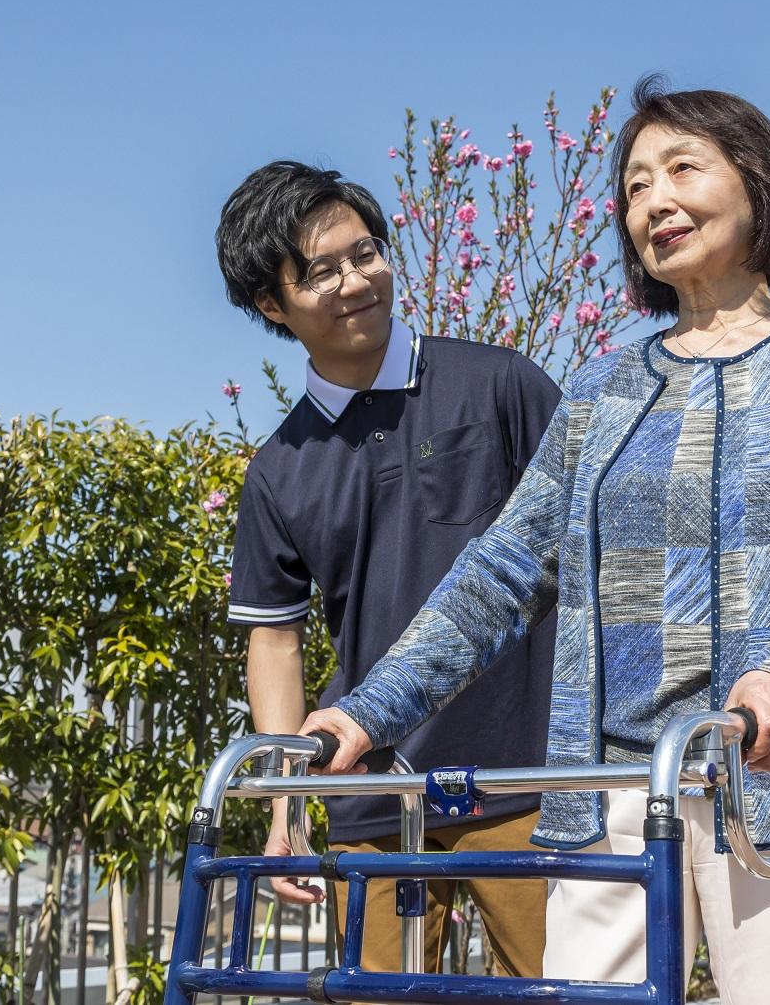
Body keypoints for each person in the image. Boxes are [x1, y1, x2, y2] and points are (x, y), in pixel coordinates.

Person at [301, 79, 770, 1004]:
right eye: (633, 187)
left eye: (681, 170)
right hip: (610, 788)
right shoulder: (600, 391)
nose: (653, 202)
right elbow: (503, 569)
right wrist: (368, 709)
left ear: (757, 181)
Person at [217, 160, 561, 977]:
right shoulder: (277, 469)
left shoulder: (501, 383)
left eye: (364, 252)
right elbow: (275, 641)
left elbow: (589, 548)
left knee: (565, 989)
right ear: (273, 303)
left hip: (533, 772)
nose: (355, 280)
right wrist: (286, 803)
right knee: (373, 995)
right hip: (366, 785)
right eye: (321, 270)